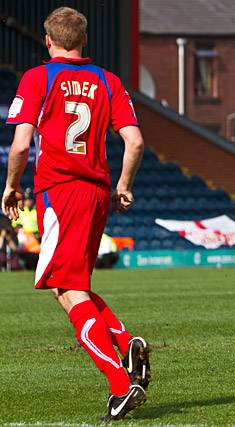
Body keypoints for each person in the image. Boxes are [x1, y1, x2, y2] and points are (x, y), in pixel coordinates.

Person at [2, 7, 150, 420]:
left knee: (66, 290)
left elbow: (19, 146)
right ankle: (125, 340)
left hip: (60, 193)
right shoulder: (108, 81)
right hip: (97, 192)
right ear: (84, 40)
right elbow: (134, 143)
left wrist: (12, 186)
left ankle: (120, 384)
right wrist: (123, 186)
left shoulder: (38, 78)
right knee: (69, 285)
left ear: (48, 41)